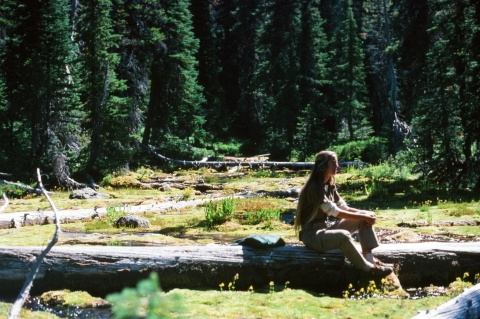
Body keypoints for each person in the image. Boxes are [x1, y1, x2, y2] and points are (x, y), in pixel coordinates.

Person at [295, 150, 392, 277]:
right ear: (324, 165)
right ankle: (367, 269)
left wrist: (365, 214)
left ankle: (369, 258)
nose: (337, 166)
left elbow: (342, 206)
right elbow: (335, 212)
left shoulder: (329, 185)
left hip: (324, 230)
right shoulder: (314, 188)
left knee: (362, 218)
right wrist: (364, 215)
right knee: (343, 235)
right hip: (312, 236)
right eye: (334, 162)